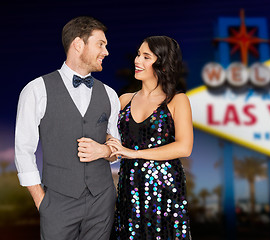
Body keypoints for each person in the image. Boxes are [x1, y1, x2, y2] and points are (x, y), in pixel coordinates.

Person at [14, 16, 120, 240]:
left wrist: (105, 151)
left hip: (102, 200)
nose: (106, 52)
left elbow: (116, 150)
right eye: (101, 44)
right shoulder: (36, 90)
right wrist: (42, 201)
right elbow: (24, 150)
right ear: (78, 44)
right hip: (57, 203)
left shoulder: (110, 95)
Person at [107, 36, 193, 239]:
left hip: (165, 188)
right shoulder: (124, 101)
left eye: (146, 57)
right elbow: (108, 139)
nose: (137, 61)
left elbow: (184, 147)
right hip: (130, 186)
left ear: (162, 63)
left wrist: (132, 153)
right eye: (138, 55)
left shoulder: (177, 100)